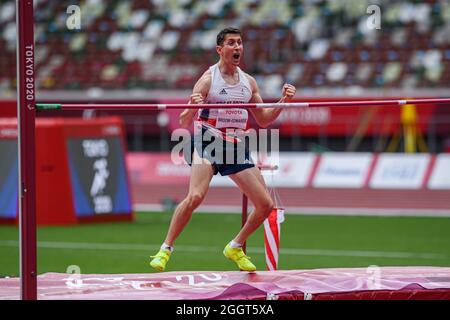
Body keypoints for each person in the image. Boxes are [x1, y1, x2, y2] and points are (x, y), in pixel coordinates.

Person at [150, 27, 296, 272]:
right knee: (195, 196)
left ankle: (235, 246)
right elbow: (185, 121)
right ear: (220, 50)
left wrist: (283, 101)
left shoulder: (249, 82)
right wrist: (192, 106)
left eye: (239, 42)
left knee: (265, 204)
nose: (237, 47)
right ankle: (165, 249)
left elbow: (263, 120)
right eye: (231, 43)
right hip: (207, 142)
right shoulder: (208, 79)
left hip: (235, 146)